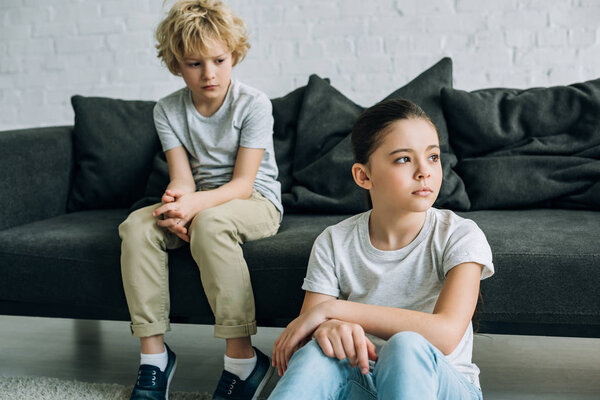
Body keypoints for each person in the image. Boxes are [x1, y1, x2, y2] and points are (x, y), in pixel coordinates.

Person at [268, 99, 494, 399]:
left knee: (406, 345)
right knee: (316, 355)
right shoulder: (334, 241)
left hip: (443, 388)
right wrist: (328, 328)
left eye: (433, 157)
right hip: (365, 382)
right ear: (364, 176)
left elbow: (447, 334)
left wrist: (336, 310)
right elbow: (310, 329)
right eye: (404, 159)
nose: (424, 171)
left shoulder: (460, 235)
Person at [118, 1, 282, 399]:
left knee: (210, 223)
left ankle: (243, 362)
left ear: (234, 54)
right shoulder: (168, 110)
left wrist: (193, 209)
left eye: (219, 60)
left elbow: (243, 185)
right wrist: (176, 205)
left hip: (253, 201)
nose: (209, 74)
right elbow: (182, 179)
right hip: (201, 203)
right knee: (137, 226)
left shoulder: (253, 104)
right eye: (194, 64)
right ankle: (154, 359)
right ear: (176, 63)